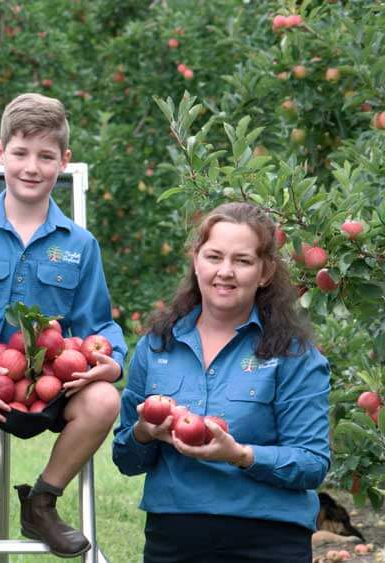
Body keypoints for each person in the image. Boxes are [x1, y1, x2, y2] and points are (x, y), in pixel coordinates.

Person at [0, 93, 127, 562]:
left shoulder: (79, 244)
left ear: (63, 161)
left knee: (104, 399)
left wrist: (110, 364)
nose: (31, 167)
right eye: (20, 153)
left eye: (45, 156)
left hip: (49, 385)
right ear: (0, 153)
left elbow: (99, 324)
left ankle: (42, 501)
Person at [112, 202, 331, 562]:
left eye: (242, 261)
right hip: (174, 539)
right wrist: (143, 433)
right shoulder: (158, 344)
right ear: (196, 260)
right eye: (214, 256)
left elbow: (311, 462)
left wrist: (240, 455)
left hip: (268, 540)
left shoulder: (293, 354)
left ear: (265, 271)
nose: (225, 272)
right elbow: (125, 458)